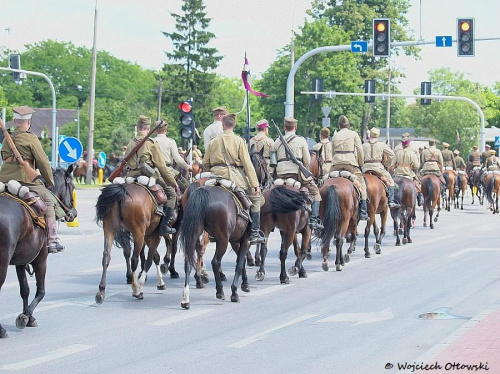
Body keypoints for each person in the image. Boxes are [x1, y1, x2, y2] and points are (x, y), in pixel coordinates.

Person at [0, 106, 65, 253]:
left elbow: (4, 157)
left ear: (14, 121)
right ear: (28, 122)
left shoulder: (6, 138)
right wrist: (49, 181)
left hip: (4, 179)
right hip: (25, 180)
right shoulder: (31, 138)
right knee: (48, 201)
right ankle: (52, 240)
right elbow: (42, 162)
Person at [202, 113, 266, 244]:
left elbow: (205, 163)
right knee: (256, 198)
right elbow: (248, 165)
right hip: (235, 177)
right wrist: (255, 184)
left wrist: (211, 173)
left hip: (216, 175)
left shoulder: (214, 142)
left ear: (223, 125)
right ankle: (254, 233)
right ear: (234, 125)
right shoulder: (239, 141)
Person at [124, 115, 177, 235]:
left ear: (138, 127)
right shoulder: (151, 143)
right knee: (171, 195)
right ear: (148, 129)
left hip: (131, 176)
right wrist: (172, 183)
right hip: (147, 176)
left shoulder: (131, 142)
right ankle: (164, 226)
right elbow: (161, 167)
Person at [272, 117, 323, 229]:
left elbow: (273, 162)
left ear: (284, 127)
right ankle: (314, 220)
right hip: (297, 174)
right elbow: (307, 161)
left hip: (280, 174)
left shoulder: (276, 141)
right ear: (295, 127)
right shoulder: (301, 140)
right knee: (316, 193)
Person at [330, 115, 368, 220]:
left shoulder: (335, 136)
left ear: (339, 126)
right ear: (348, 125)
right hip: (350, 163)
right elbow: (360, 150)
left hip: (336, 163)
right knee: (361, 185)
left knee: (325, 181)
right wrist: (361, 164)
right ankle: (363, 211)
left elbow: (332, 151)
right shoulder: (354, 134)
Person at [362, 127, 399, 208]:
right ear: (378, 135)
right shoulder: (382, 145)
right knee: (391, 181)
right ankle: (391, 201)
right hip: (378, 167)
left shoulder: (364, 145)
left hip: (365, 168)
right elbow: (392, 155)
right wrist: (387, 164)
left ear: (370, 135)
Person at [154, 119, 192, 191]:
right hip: (167, 170)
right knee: (188, 188)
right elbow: (178, 159)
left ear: (155, 130)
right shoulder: (170, 141)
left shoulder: (151, 141)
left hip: (153, 171)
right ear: (166, 130)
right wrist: (187, 167)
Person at [390, 133, 424, 206]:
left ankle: (390, 199)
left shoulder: (397, 150)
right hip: (409, 173)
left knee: (390, 184)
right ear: (408, 143)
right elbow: (417, 166)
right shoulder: (412, 152)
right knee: (417, 184)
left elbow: (392, 164)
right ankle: (419, 198)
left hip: (397, 173)